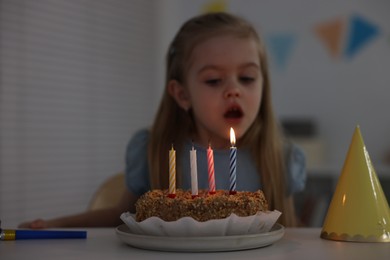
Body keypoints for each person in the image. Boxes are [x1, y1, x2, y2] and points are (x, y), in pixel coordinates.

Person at [19, 12, 305, 229]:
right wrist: (56, 226)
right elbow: (120, 218)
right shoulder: (154, 151)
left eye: (247, 77)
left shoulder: (279, 157)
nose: (234, 89)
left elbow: (290, 229)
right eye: (214, 80)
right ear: (182, 94)